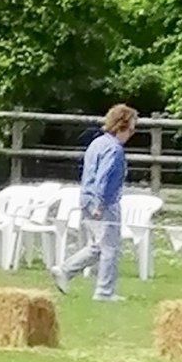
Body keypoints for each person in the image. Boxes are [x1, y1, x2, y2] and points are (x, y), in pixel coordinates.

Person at [50, 104, 138, 301]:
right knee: (110, 248)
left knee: (97, 246)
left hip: (86, 199)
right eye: (131, 129)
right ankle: (104, 292)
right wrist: (100, 203)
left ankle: (65, 270)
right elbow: (104, 178)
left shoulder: (97, 143)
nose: (132, 133)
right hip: (104, 203)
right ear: (122, 126)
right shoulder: (114, 149)